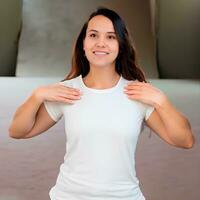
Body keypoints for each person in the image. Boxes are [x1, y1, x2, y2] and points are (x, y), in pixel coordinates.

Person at [9, 6, 195, 200]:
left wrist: (162, 101)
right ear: (83, 43)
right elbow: (17, 131)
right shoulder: (68, 91)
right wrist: (36, 95)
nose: (101, 43)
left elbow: (184, 140)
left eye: (111, 37)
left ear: (121, 44)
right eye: (93, 35)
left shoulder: (137, 93)